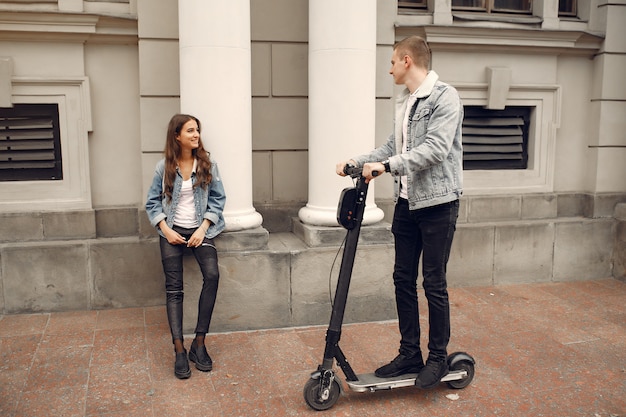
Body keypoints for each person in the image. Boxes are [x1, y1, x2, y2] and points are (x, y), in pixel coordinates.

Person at [336, 35, 463, 389]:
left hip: (438, 204)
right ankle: (410, 353)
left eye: (392, 62)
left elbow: (435, 149)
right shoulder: (406, 102)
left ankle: (437, 356)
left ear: (407, 60)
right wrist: (357, 161)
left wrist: (386, 166)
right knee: (402, 279)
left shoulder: (444, 97)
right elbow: (392, 147)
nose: (389, 68)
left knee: (433, 283)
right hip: (407, 205)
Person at [146, 113, 226, 379]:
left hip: (200, 231)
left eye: (197, 131)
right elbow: (152, 203)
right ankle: (179, 349)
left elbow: (218, 199)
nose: (196, 135)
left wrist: (203, 228)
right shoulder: (164, 167)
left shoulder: (208, 165)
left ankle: (199, 344)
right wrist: (165, 230)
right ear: (177, 135)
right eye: (190, 131)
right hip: (171, 231)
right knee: (174, 289)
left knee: (212, 276)